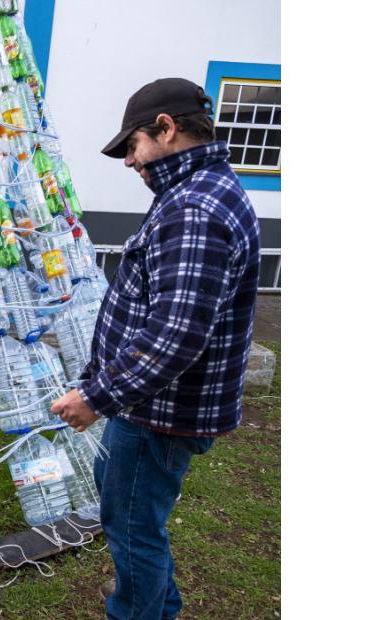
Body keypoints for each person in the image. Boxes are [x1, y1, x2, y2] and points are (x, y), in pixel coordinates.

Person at [50, 78, 261, 619]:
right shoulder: (200, 192)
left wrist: (96, 396)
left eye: (132, 146)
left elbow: (175, 335)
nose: (128, 161)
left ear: (166, 129)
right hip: (152, 408)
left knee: (134, 529)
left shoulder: (195, 207)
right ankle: (157, 608)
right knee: (130, 516)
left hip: (157, 414)